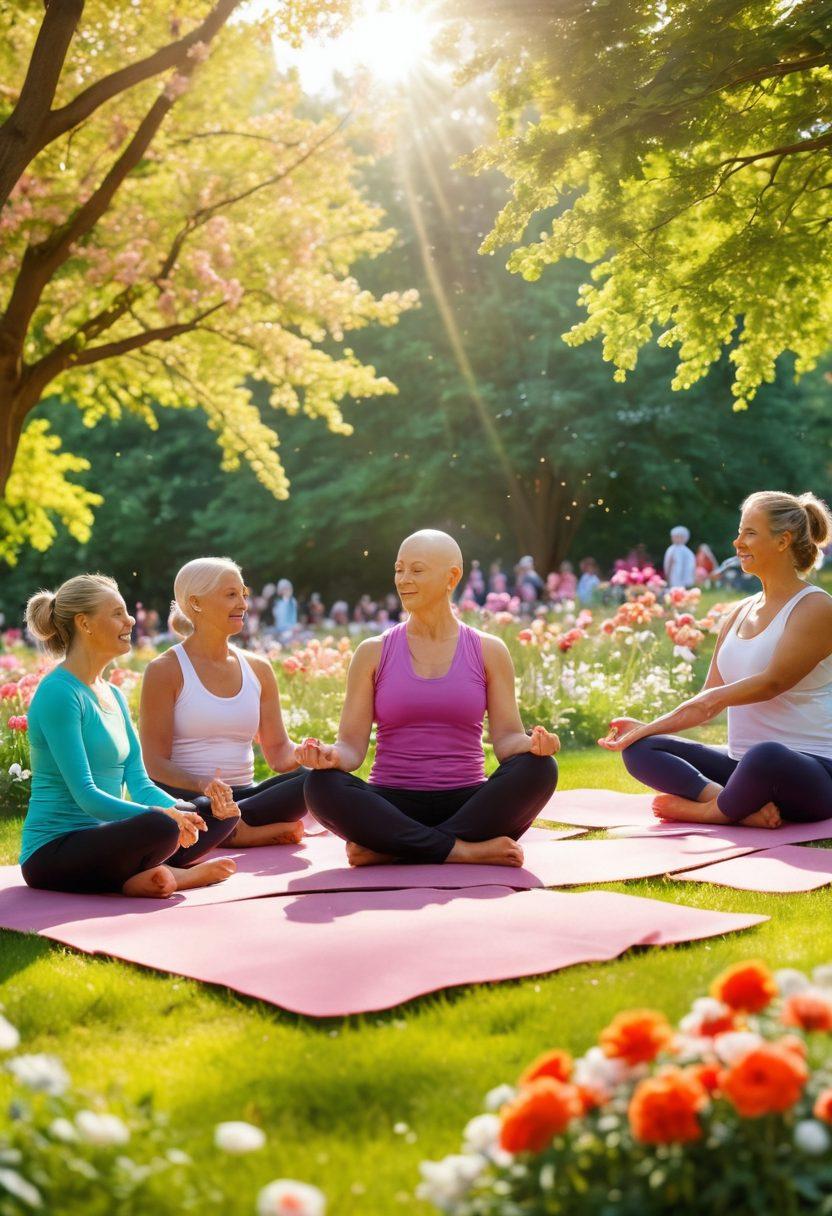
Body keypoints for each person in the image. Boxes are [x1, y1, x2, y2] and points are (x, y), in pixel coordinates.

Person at [299, 530, 560, 866]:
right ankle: (462, 851)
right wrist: (330, 756)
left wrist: (534, 745)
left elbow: (508, 739)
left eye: (417, 570)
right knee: (320, 787)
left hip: (467, 802)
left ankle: (392, 848)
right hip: (391, 802)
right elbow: (350, 748)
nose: (403, 580)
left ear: (452, 577)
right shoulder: (372, 652)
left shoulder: (488, 650)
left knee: (540, 770)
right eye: (399, 569)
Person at [599, 491, 832, 828]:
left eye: (750, 533)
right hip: (741, 766)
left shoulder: (816, 608)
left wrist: (694, 709)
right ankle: (734, 805)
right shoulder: (739, 612)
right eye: (740, 531)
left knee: (765, 755)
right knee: (641, 749)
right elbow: (707, 700)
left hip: (810, 772)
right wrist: (646, 729)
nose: (737, 542)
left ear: (783, 542)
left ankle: (709, 811)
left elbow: (771, 683)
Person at [20, 575, 237, 897]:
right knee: (161, 825)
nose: (131, 619)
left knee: (214, 813)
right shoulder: (59, 693)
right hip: (55, 852)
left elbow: (139, 783)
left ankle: (143, 874)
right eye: (117, 613)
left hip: (109, 838)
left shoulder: (114, 695)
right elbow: (86, 796)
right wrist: (167, 817)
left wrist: (183, 811)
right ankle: (168, 873)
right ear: (85, 623)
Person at [139, 558, 307, 848]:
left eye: (243, 593)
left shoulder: (259, 668)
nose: (242, 603)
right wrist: (204, 785)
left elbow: (279, 753)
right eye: (231, 595)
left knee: (315, 781)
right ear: (195, 603)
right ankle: (236, 830)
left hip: (245, 797)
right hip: (190, 797)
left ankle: (232, 828)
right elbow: (154, 764)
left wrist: (309, 754)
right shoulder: (165, 669)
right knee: (194, 811)